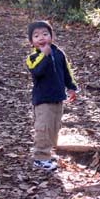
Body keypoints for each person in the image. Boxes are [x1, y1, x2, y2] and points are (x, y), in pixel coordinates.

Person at [26, 20, 77, 171]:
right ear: (31, 41)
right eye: (36, 36)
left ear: (51, 36)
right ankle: (40, 158)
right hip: (43, 100)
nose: (41, 38)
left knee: (54, 127)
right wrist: (44, 56)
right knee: (44, 127)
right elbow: (37, 71)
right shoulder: (33, 58)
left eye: (45, 34)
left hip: (57, 97)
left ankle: (47, 152)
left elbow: (67, 71)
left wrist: (71, 87)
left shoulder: (59, 53)